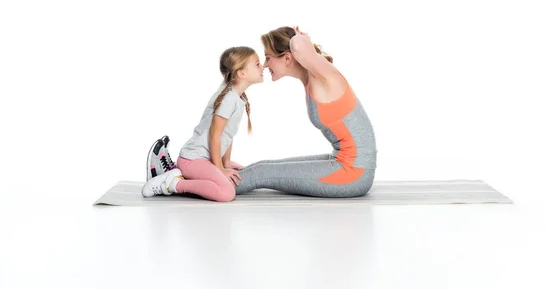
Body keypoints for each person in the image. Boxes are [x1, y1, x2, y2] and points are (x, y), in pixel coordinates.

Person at [229, 26, 377, 198]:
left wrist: (301, 37)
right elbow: (299, 48)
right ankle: (209, 178)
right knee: (262, 166)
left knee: (262, 172)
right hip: (346, 163)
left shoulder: (323, 74)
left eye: (268, 58)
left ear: (287, 57)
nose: (265, 64)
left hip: (354, 173)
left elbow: (298, 46)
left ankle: (206, 187)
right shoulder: (312, 77)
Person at [141, 46, 264, 202]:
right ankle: (173, 183)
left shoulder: (237, 96)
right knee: (227, 193)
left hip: (204, 158)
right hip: (192, 160)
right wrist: (219, 168)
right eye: (257, 64)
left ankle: (180, 176)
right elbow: (215, 136)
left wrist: (226, 164)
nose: (263, 66)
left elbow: (228, 135)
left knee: (240, 172)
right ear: (242, 73)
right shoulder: (229, 99)